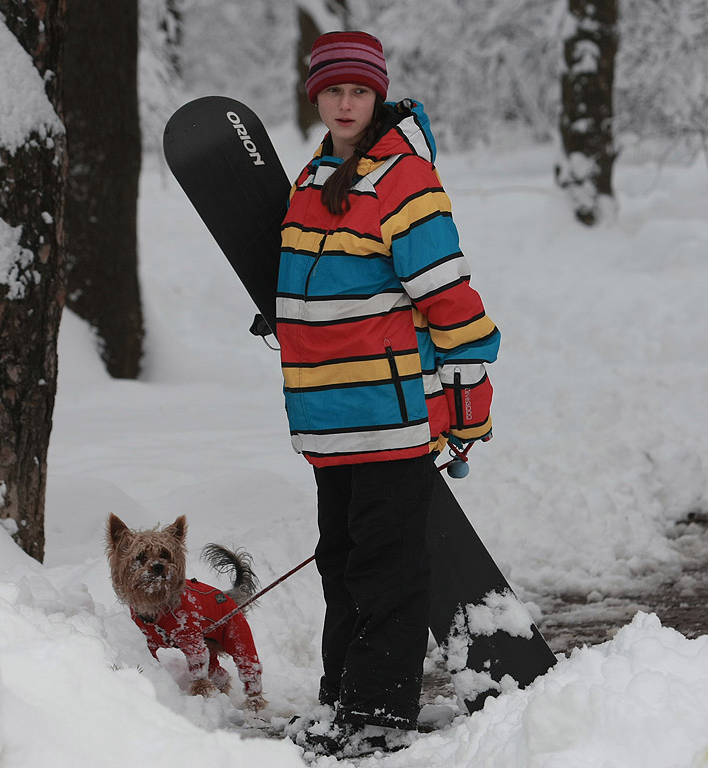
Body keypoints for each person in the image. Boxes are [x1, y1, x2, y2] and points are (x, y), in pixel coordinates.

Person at [278, 31, 499, 756]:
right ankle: (341, 699)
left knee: (387, 570)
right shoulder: (314, 178)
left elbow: (449, 298)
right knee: (340, 564)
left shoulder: (405, 179)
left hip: (389, 416)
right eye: (333, 91)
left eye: (359, 91)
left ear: (377, 96)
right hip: (330, 423)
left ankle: (378, 712)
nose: (345, 103)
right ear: (318, 97)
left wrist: (468, 404)